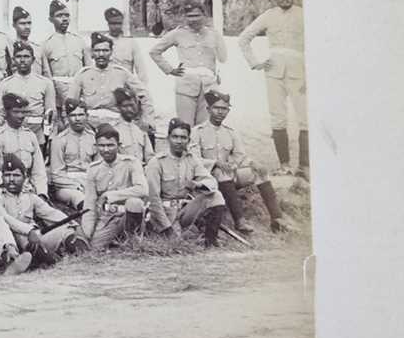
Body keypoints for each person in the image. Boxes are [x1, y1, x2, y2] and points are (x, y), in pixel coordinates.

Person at [237, 0, 307, 178]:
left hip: (299, 72)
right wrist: (255, 63)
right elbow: (244, 38)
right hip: (274, 72)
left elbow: (317, 41)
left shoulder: (304, 14)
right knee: (277, 118)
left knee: (305, 119)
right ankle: (284, 165)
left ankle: (304, 167)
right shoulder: (268, 16)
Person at [192, 90, 286, 232]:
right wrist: (216, 163)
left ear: (227, 111)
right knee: (222, 171)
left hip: (228, 178)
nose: (220, 112)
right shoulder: (197, 132)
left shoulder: (230, 132)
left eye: (224, 109)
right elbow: (194, 159)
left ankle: (277, 220)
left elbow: (240, 155)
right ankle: (240, 220)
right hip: (207, 178)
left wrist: (252, 163)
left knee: (260, 172)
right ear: (208, 109)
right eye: (216, 108)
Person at [145, 119, 225, 247]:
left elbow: (211, 182)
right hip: (165, 213)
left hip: (184, 211)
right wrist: (167, 228)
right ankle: (170, 233)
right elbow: (153, 200)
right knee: (175, 243)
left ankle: (210, 241)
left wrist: (197, 184)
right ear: (168, 138)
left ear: (188, 140)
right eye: (175, 137)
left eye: (183, 137)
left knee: (216, 196)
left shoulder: (192, 159)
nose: (179, 141)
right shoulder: (156, 162)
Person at [0, 154, 78, 267]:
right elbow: (8, 220)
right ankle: (51, 263)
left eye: (16, 175)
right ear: (2, 177)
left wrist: (71, 223)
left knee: (66, 230)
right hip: (10, 241)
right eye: (7, 175)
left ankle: (83, 256)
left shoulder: (30, 196)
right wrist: (29, 231)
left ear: (24, 178)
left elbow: (50, 213)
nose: (11, 179)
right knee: (22, 237)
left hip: (34, 238)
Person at [150, 0, 226, 127]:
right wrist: (170, 70)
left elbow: (223, 59)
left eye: (197, 15)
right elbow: (154, 52)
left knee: (205, 126)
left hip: (209, 86)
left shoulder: (214, 34)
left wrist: (218, 75)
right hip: (186, 86)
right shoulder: (177, 34)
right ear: (184, 17)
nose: (193, 19)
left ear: (204, 16)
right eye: (189, 16)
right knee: (186, 126)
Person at [67, 32, 153, 131]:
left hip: (117, 124)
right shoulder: (83, 74)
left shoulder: (121, 73)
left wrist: (147, 120)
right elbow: (70, 102)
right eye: (97, 51)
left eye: (105, 50)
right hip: (89, 125)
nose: (101, 54)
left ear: (111, 52)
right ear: (92, 53)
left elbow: (145, 95)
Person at [83, 123, 149, 251]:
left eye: (110, 145)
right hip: (107, 217)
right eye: (102, 145)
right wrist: (87, 233)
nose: (106, 150)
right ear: (96, 146)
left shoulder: (131, 163)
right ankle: (115, 243)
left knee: (135, 202)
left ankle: (133, 241)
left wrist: (110, 195)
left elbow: (143, 189)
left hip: (127, 214)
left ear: (118, 146)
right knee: (94, 248)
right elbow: (89, 204)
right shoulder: (93, 169)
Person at [0, 40, 58, 148]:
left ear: (33, 60)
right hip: (12, 133)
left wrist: (50, 139)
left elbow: (51, 115)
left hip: (38, 134)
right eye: (18, 56)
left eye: (26, 57)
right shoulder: (5, 84)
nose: (22, 60)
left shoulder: (45, 83)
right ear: (13, 60)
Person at [0, 92, 49, 197]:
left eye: (23, 112)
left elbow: (39, 170)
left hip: (29, 189)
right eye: (16, 112)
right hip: (7, 189)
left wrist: (42, 193)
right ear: (7, 112)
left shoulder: (30, 136)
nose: (21, 116)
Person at [49, 99, 97, 211]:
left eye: (81, 114)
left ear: (87, 116)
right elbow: (56, 174)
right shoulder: (60, 140)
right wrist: (76, 185)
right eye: (73, 115)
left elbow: (98, 167)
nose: (77, 119)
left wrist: (91, 184)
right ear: (67, 117)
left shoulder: (93, 138)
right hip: (67, 184)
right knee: (80, 198)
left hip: (89, 181)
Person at [42, 0, 88, 106]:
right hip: (58, 94)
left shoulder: (79, 41)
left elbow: (88, 70)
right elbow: (47, 75)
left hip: (78, 93)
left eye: (67, 15)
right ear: (51, 19)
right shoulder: (46, 44)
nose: (64, 19)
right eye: (59, 16)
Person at [104, 7, 150, 84]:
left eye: (119, 23)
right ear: (108, 24)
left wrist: (143, 87)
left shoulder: (130, 42)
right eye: (113, 23)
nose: (116, 27)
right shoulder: (103, 41)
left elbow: (140, 68)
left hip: (126, 85)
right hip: (107, 84)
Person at [112, 85, 154, 165]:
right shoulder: (114, 129)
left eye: (132, 105)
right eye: (125, 106)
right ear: (118, 107)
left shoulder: (141, 129)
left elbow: (150, 157)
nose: (129, 109)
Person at [9, 7, 48, 76]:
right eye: (22, 23)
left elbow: (46, 72)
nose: (27, 27)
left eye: (29, 23)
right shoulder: (9, 48)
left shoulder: (38, 48)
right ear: (14, 25)